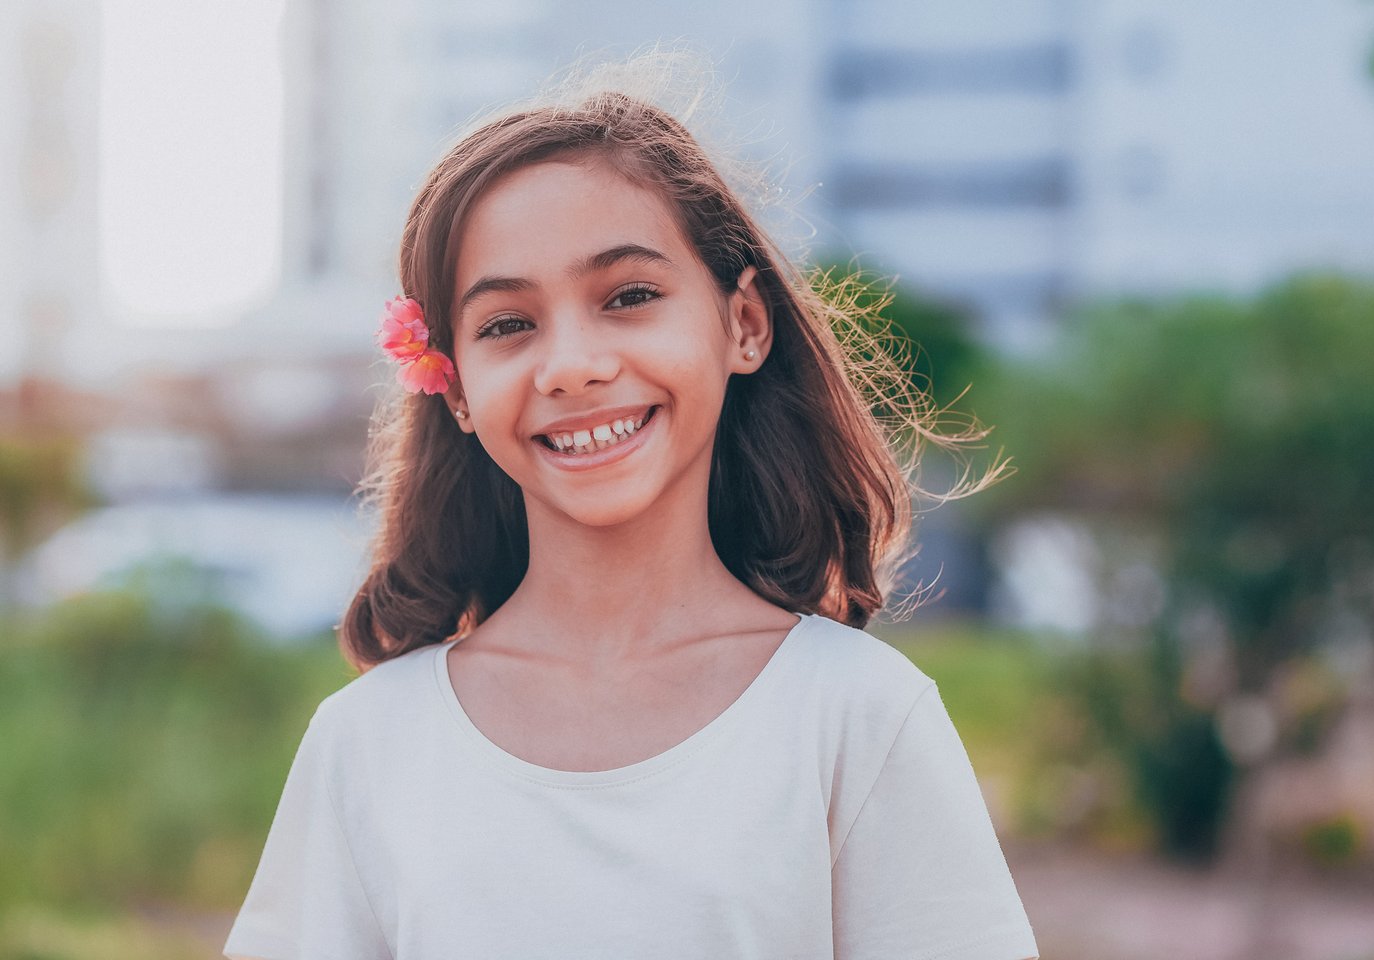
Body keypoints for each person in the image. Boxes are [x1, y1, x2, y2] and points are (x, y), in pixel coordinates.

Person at [223, 58, 1038, 960]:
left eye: (630, 297)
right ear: (454, 389)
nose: (570, 364)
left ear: (744, 326)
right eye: (507, 324)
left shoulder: (857, 717)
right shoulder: (368, 745)